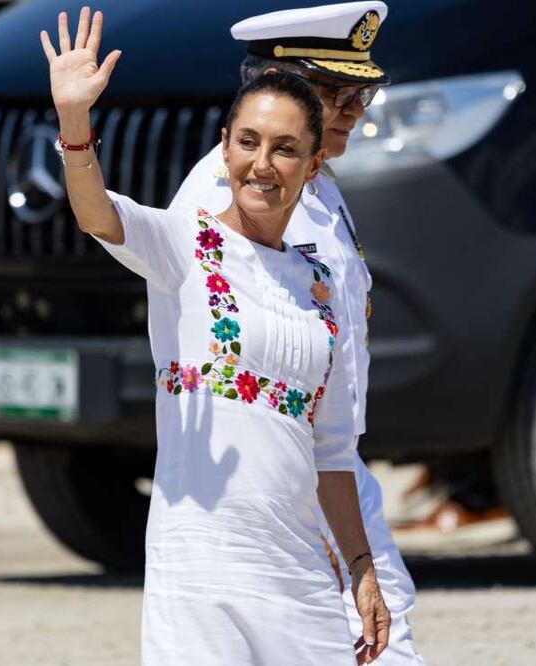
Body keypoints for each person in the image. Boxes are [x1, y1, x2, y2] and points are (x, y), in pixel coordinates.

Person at [39, 7, 391, 664]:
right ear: (224, 145)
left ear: (313, 164)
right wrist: (73, 123)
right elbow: (99, 215)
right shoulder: (185, 244)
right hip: (199, 567)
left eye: (285, 149)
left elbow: (332, 453)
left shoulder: (318, 284)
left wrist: (364, 569)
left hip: (299, 572)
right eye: (249, 143)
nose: (263, 164)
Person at [169, 4, 425, 664]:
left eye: (359, 92)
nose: (351, 108)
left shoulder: (320, 186)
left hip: (332, 467)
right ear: (273, 86)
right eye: (331, 90)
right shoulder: (221, 193)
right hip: (276, 481)